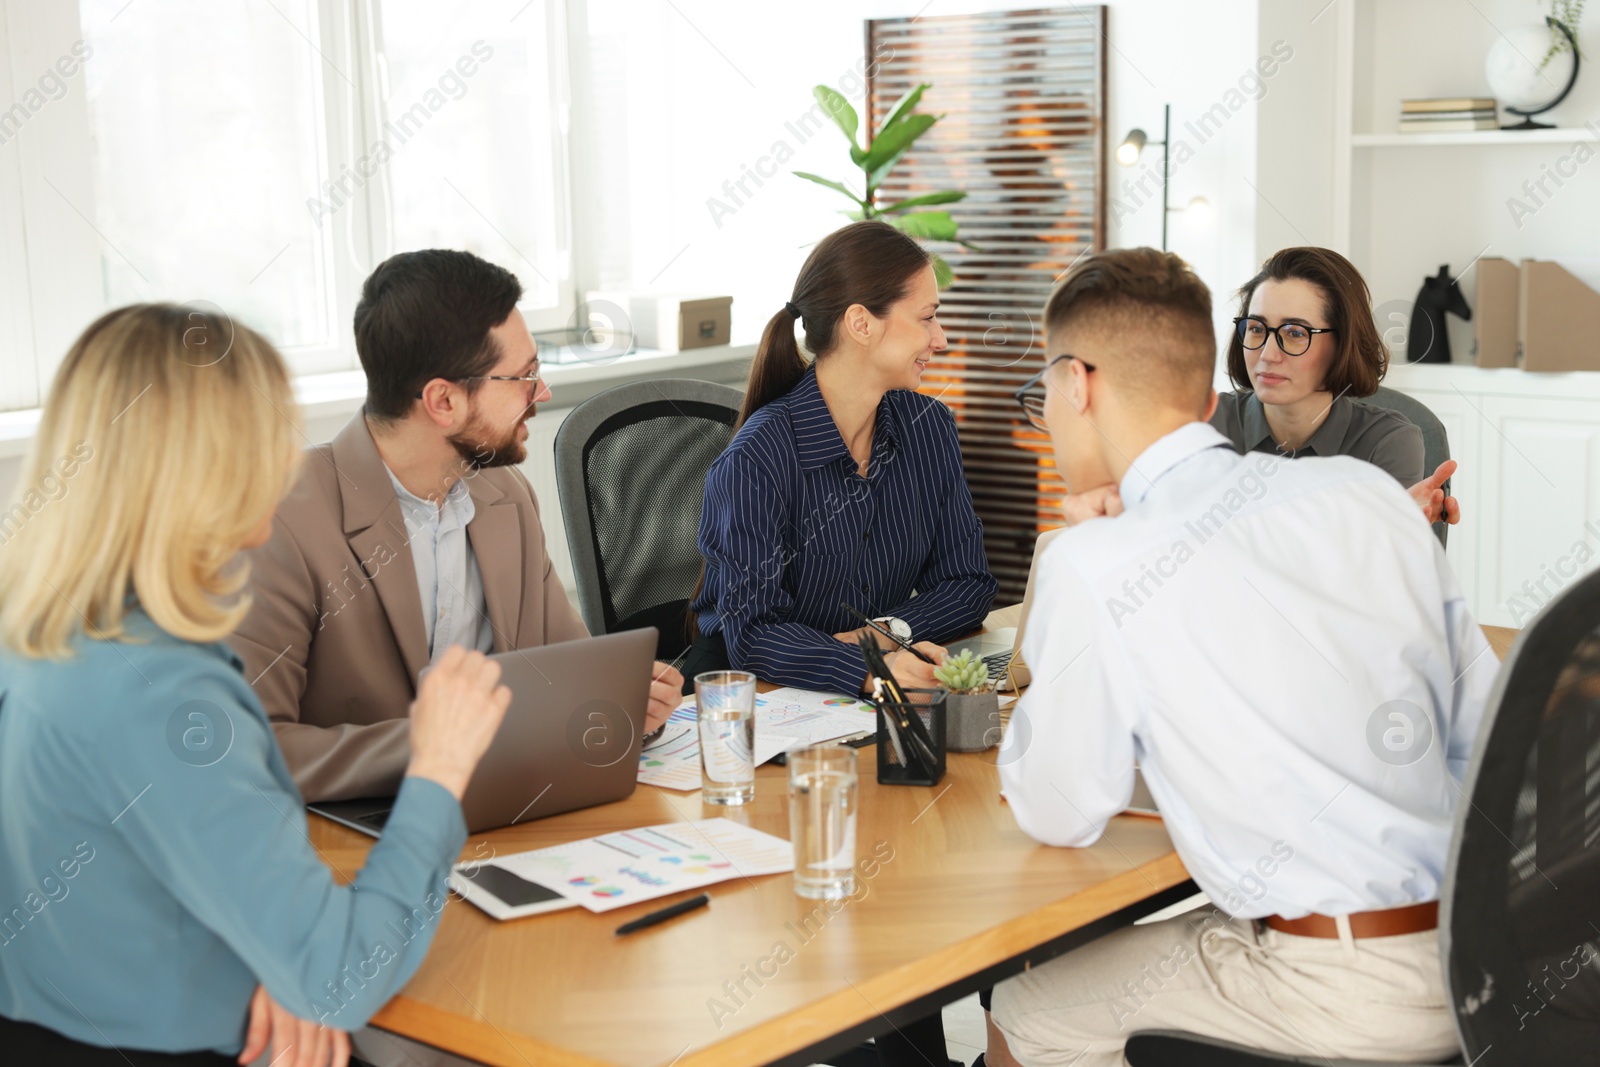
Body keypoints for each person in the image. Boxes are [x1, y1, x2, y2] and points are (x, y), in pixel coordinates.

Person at [986, 249, 1496, 1066]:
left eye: (1043, 387)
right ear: (1202, 388)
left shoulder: (1102, 560)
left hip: (1338, 985)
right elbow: (1484, 732)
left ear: (1079, 384)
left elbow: (1059, 809)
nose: (1044, 411)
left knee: (1027, 1001)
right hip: (1480, 950)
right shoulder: (1367, 495)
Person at [0, 305, 511, 1067]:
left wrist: (259, 954)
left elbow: (135, 866)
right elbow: (340, 978)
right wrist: (437, 769)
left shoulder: (43, 631)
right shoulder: (165, 693)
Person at [229, 249, 682, 804]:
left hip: (503, 816)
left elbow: (567, 679)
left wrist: (627, 705)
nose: (541, 395)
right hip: (353, 843)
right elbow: (249, 749)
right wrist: (440, 746)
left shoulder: (505, 496)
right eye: (524, 377)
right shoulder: (281, 517)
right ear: (443, 400)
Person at [687, 219, 998, 696]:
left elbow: (968, 582)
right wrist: (870, 670)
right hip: (753, 697)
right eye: (927, 317)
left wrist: (884, 633)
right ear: (861, 323)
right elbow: (752, 634)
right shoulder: (757, 459)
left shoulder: (928, 428)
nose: (942, 338)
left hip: (860, 687)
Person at [1208, 246, 1461, 529]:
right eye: (1256, 328)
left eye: (1294, 333)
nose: (1267, 354)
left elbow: (1374, 568)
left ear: (1342, 345)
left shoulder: (1387, 443)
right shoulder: (1205, 427)